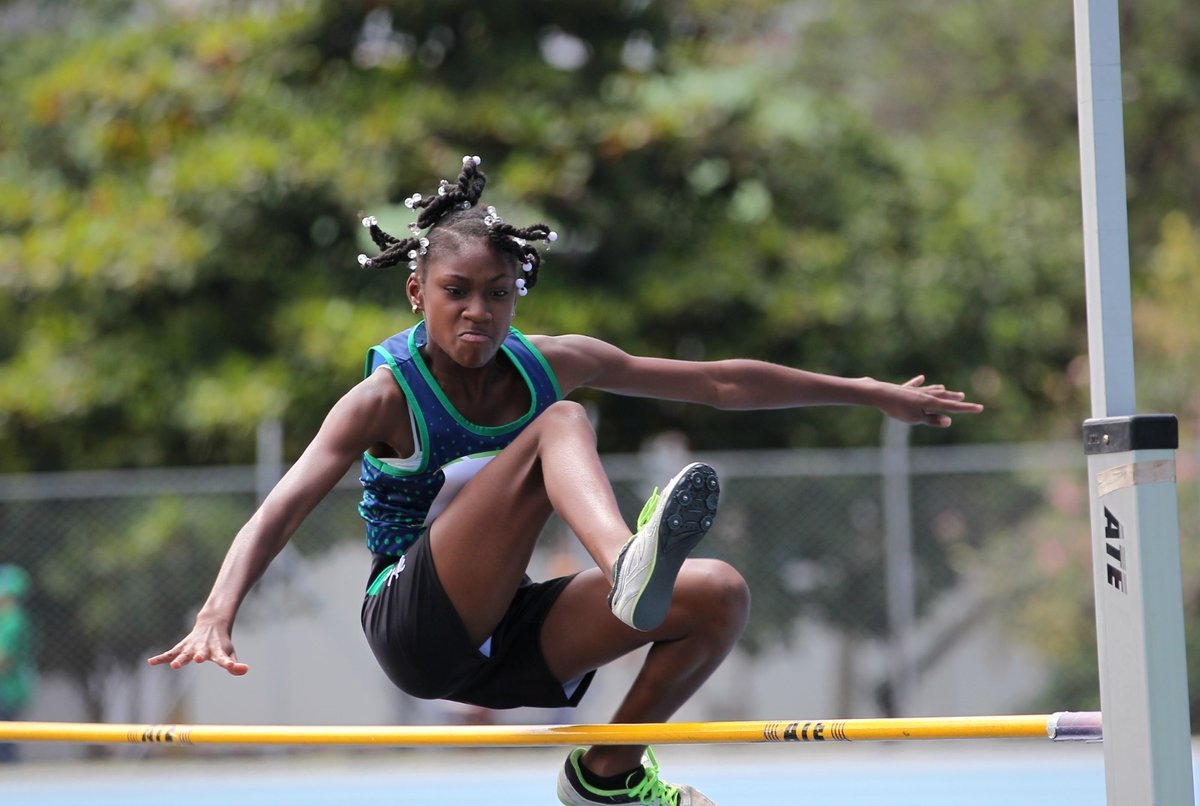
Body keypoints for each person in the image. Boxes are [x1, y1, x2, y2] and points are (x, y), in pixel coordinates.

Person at [149, 155, 983, 805]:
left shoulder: (553, 362)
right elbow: (280, 508)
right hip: (412, 624)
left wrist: (868, 394)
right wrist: (217, 613)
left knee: (717, 594)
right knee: (563, 425)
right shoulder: (383, 397)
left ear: (520, 296)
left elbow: (721, 382)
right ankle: (627, 566)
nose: (479, 312)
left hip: (506, 635)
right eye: (457, 292)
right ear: (416, 293)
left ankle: (608, 771)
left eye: (500, 294)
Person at [0, 564, 36, 764]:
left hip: (8, 689)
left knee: (5, 740)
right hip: (7, 687)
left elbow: (4, 660)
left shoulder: (13, 620)